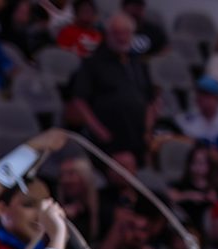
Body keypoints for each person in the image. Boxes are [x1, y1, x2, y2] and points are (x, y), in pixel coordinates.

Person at [66, 11, 157, 161]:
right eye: (116, 33)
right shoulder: (93, 64)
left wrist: (147, 131)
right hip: (108, 141)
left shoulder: (139, 65)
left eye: (126, 33)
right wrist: (99, 131)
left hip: (137, 139)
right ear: (107, 35)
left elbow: (150, 101)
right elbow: (79, 100)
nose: (122, 38)